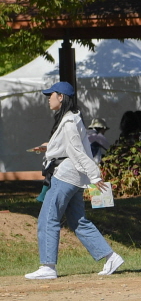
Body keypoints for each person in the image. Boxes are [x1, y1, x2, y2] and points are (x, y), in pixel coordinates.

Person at [25, 82, 125, 280]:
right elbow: (70, 146)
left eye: (50, 95)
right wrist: (49, 147)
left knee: (48, 218)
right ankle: (111, 257)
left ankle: (48, 266)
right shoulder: (70, 119)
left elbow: (77, 151)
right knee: (78, 221)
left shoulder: (69, 121)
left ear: (61, 97)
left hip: (65, 176)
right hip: (74, 177)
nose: (48, 98)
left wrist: (95, 176)